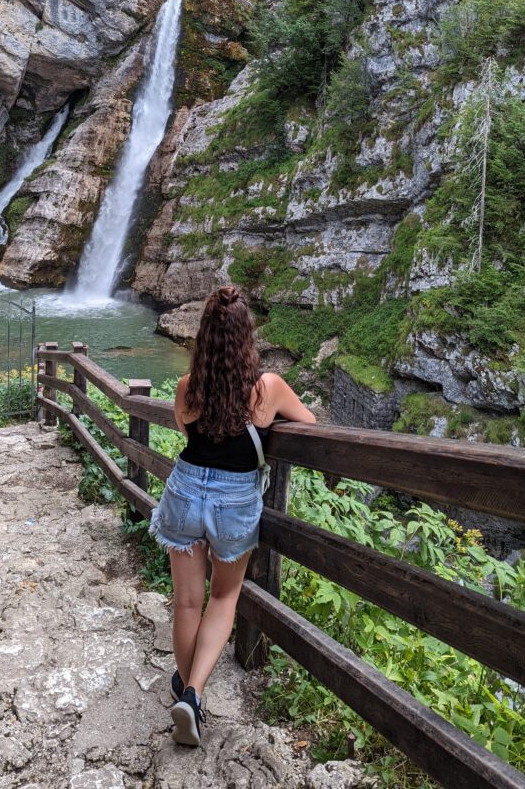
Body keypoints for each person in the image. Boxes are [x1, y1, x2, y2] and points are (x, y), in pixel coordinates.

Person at [149, 285, 316, 746]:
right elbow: (312, 424)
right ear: (247, 337)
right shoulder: (268, 390)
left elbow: (188, 430)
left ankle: (188, 694)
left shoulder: (188, 388)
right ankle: (195, 695)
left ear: (204, 336)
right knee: (224, 598)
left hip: (185, 490)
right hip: (235, 501)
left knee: (186, 602)